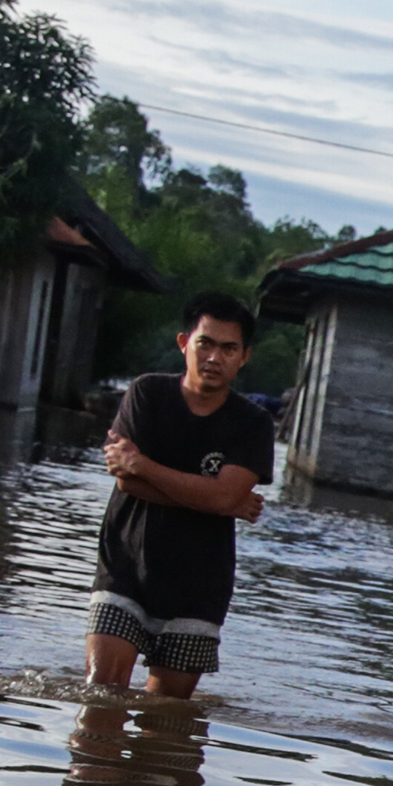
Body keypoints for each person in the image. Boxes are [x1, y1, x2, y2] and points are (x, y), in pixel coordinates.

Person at [86, 293, 275, 696]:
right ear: (183, 343)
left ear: (244, 357)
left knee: (165, 728)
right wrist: (218, 499)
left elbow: (221, 497)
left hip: (199, 588)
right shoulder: (148, 394)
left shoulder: (253, 423)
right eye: (205, 343)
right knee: (101, 698)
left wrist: (145, 465)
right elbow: (125, 482)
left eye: (229, 348)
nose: (214, 357)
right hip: (125, 567)